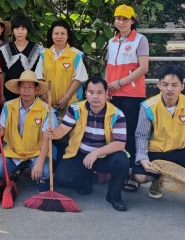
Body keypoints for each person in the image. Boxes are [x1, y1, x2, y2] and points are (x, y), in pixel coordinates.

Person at [133, 65, 185, 209]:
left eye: (174, 85)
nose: (169, 89)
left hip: (183, 149)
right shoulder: (147, 107)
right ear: (159, 85)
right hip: (157, 152)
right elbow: (141, 135)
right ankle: (157, 179)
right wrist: (142, 158)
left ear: (182, 86)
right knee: (140, 177)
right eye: (165, 84)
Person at [47, 75, 130, 211]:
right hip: (79, 153)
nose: (95, 97)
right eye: (91, 92)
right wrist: (53, 133)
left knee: (122, 161)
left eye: (99, 93)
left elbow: (120, 144)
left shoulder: (117, 114)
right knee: (61, 179)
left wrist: (95, 153)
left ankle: (114, 196)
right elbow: (62, 130)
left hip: (103, 155)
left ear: (106, 94)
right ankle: (88, 179)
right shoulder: (75, 109)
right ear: (86, 93)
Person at [105, 4, 149, 192]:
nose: (121, 22)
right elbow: (109, 67)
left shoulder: (140, 40)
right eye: (118, 18)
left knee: (130, 134)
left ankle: (131, 174)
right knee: (114, 133)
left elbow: (143, 68)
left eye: (125, 19)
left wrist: (120, 83)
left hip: (131, 94)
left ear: (132, 20)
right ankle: (117, 172)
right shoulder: (112, 41)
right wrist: (107, 89)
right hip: (114, 94)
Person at [0, 70, 56, 193]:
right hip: (13, 152)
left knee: (45, 171)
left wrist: (39, 163)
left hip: (35, 154)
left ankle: (39, 177)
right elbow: (2, 130)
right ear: (19, 89)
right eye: (23, 87)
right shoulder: (8, 106)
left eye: (30, 87)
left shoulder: (47, 110)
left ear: (36, 90)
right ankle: (17, 170)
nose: (26, 90)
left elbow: (47, 139)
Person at [36, 19, 88, 112]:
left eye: (63, 34)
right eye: (56, 33)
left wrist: (66, 97)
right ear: (51, 35)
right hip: (47, 104)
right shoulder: (44, 54)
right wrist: (45, 97)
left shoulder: (76, 55)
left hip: (71, 104)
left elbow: (79, 78)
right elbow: (39, 77)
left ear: (68, 35)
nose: (59, 36)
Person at [0, 15, 43, 102]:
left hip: (30, 93)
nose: (20, 32)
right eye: (17, 29)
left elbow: (40, 74)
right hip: (9, 93)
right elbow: (2, 73)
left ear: (27, 31)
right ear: (13, 30)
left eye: (23, 29)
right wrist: (1, 94)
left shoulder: (37, 49)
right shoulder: (4, 49)